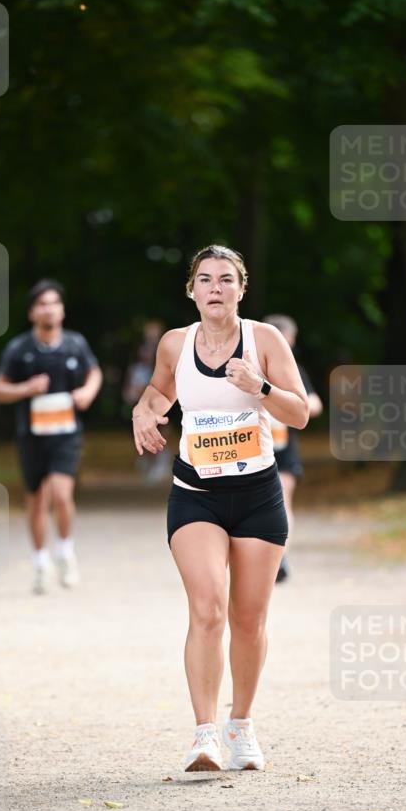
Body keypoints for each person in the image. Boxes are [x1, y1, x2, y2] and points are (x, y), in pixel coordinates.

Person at [131, 245, 309, 772]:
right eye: (205, 279)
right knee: (207, 608)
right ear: (191, 290)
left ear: (241, 288)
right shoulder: (175, 344)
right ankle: (204, 734)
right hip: (196, 495)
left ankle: (242, 726)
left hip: (257, 495)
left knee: (248, 620)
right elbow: (157, 395)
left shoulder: (265, 340)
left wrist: (261, 387)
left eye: (225, 279)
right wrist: (143, 415)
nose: (215, 287)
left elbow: (298, 413)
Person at [0, 279, 102, 594]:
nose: (48, 309)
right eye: (42, 304)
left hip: (66, 434)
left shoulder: (75, 344)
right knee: (37, 501)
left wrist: (87, 392)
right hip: (32, 435)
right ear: (32, 313)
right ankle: (41, 563)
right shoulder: (20, 349)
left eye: (54, 303)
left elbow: (94, 372)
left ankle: (66, 551)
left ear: (62, 310)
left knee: (62, 495)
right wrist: (26, 388)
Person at [263, 314, 324, 583]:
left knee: (283, 497)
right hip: (250, 445)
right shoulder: (248, 364)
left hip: (283, 445)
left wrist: (292, 408)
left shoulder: (293, 369)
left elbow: (315, 403)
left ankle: (279, 557)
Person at [122, 319, 170, 484]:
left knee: (159, 430)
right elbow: (131, 378)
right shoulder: (139, 353)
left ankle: (159, 460)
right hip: (141, 398)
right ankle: (150, 460)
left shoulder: (165, 348)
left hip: (159, 395)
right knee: (143, 430)